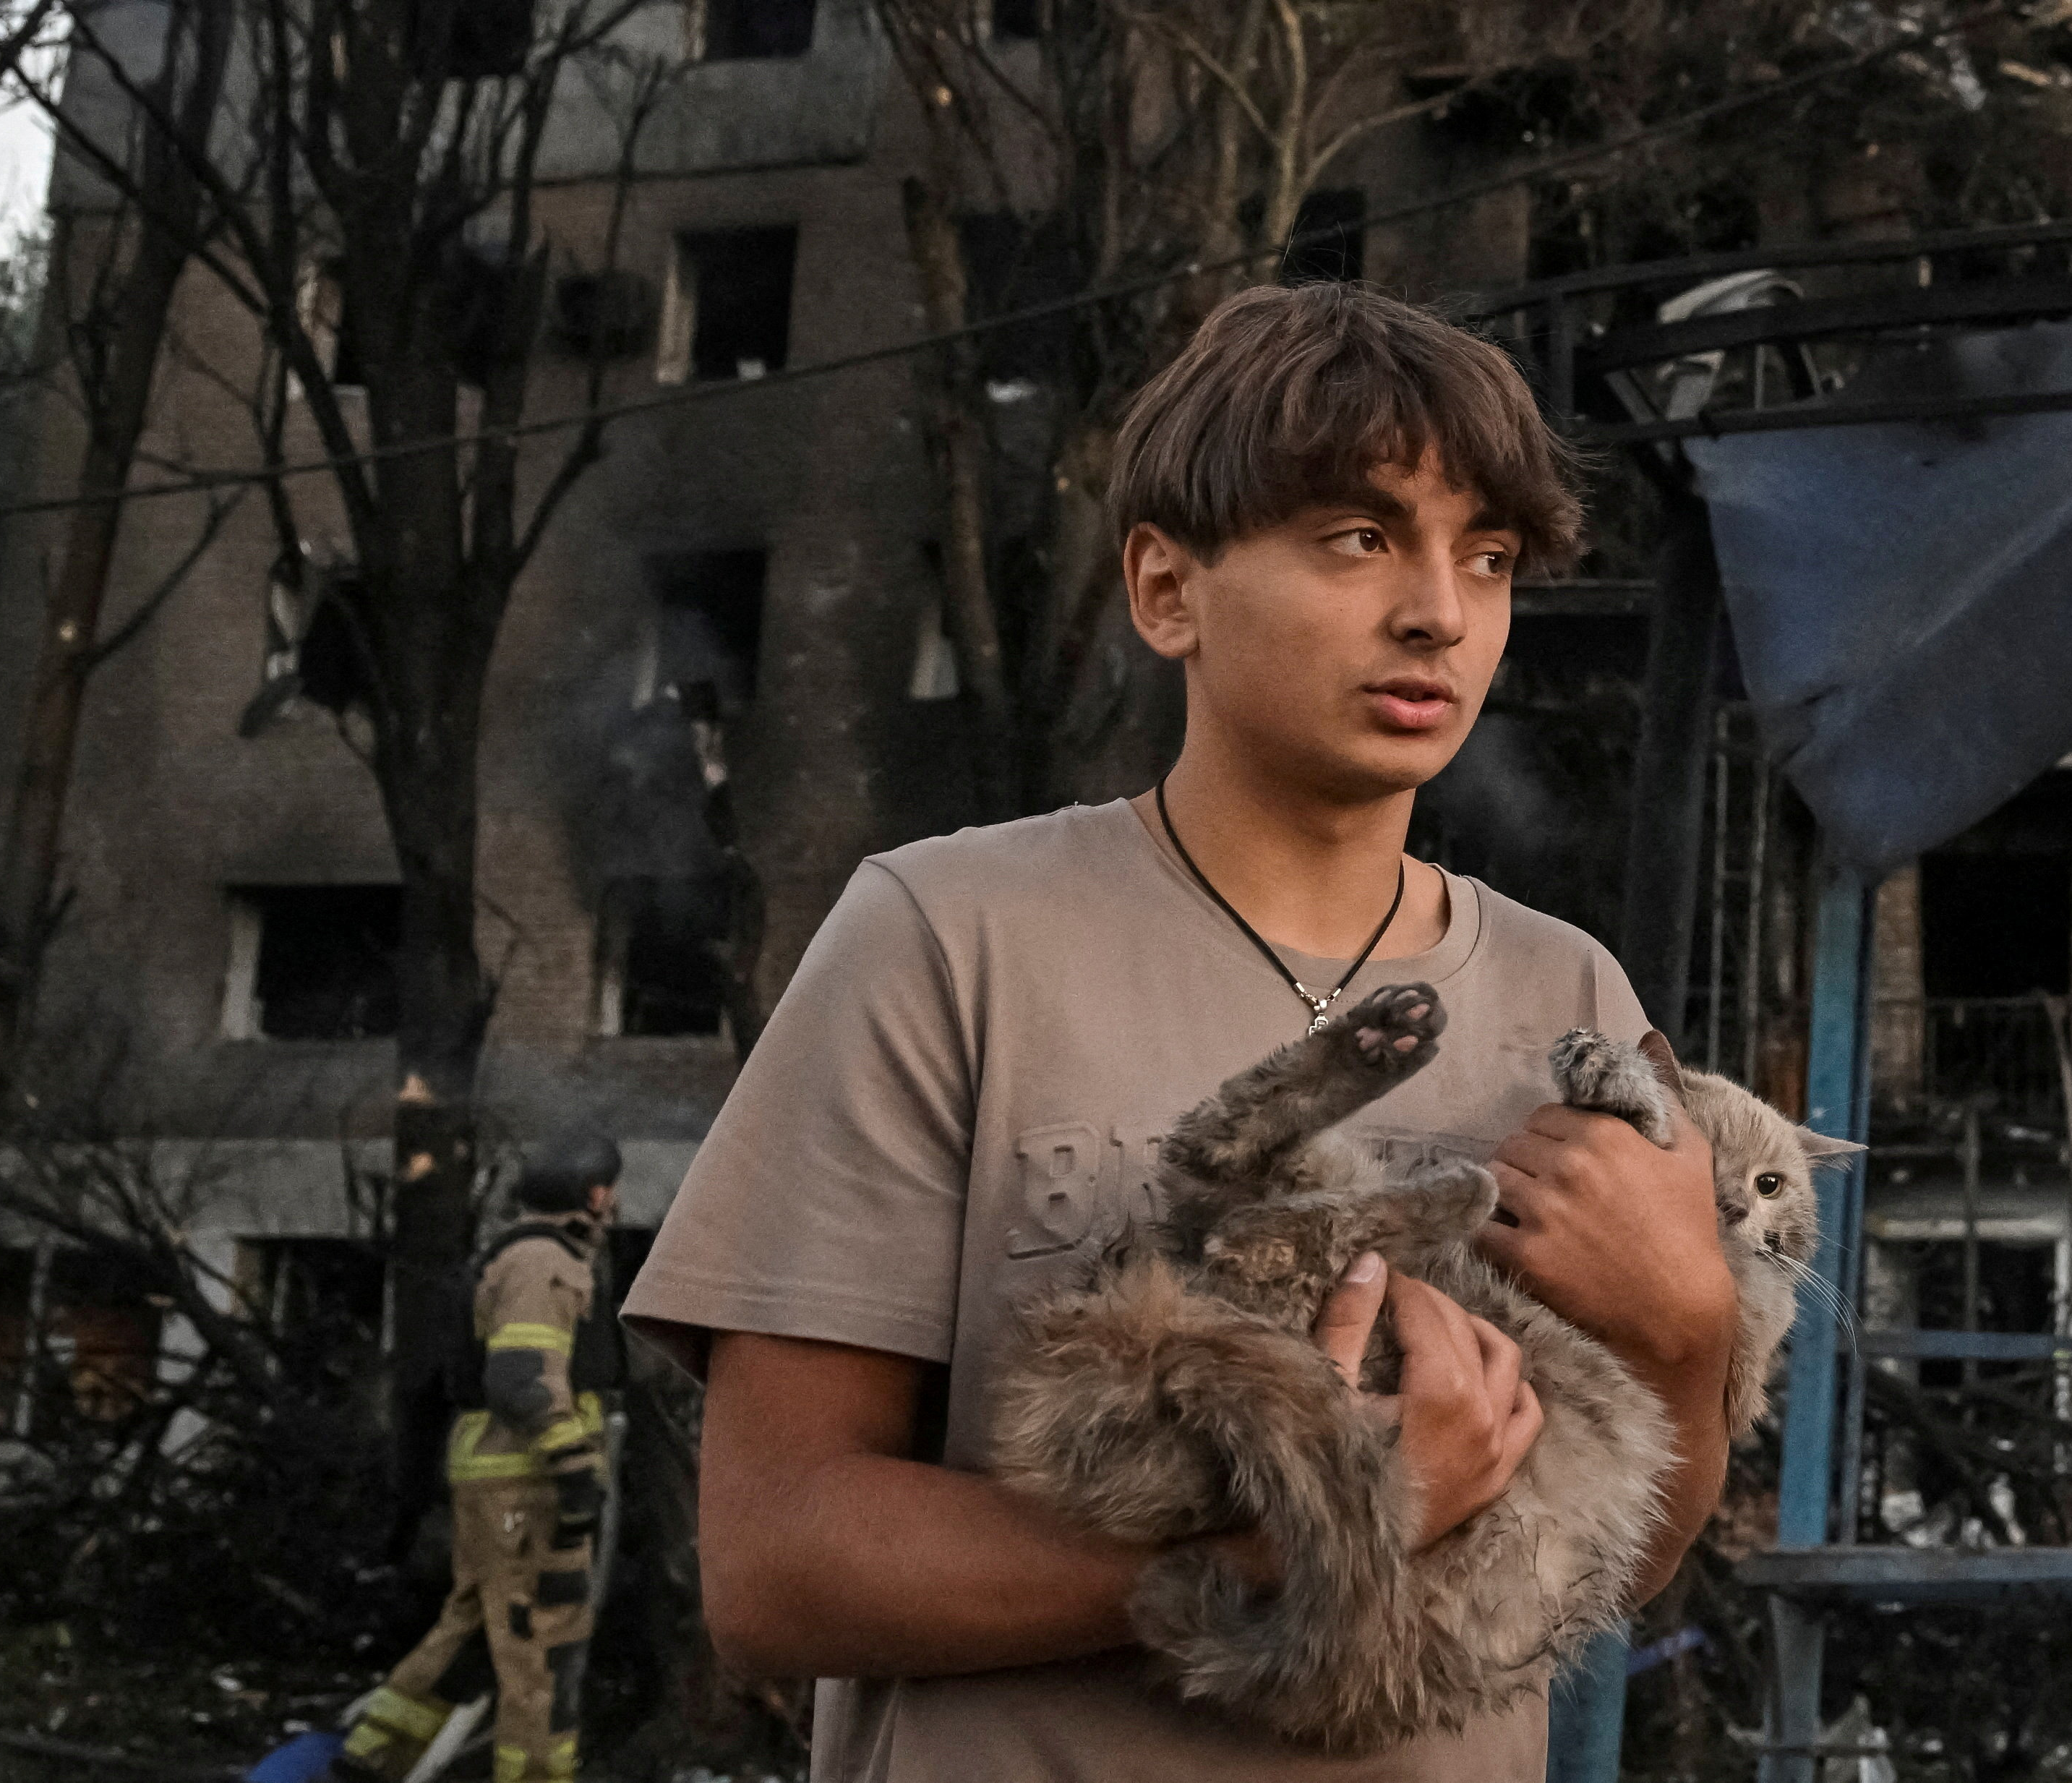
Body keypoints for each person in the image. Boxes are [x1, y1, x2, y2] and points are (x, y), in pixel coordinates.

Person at [622, 281, 1741, 1782]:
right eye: (1358, 538)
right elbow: (775, 1565)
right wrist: (1292, 1533)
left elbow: (1608, 1555)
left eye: (1483, 556)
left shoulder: (1570, 1000)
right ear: (1165, 589)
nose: (1438, 610)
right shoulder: (950, 940)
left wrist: (1686, 1338)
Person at [338, 1130, 626, 1783]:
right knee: (543, 1648)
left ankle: (372, 1759)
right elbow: (522, 1380)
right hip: (530, 1482)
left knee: (472, 1626)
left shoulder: (514, 1255)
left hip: (500, 1478)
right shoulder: (543, 1262)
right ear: (595, 1196)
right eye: (611, 1193)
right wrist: (575, 1472)